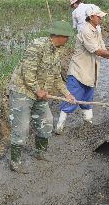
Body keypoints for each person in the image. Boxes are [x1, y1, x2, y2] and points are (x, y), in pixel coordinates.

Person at [7, 20, 76, 173]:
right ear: (61, 36)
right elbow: (28, 72)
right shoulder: (37, 46)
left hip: (39, 94)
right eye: (68, 37)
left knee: (47, 122)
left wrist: (68, 94)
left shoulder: (57, 52)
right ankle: (15, 163)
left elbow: (57, 78)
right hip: (22, 91)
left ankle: (40, 153)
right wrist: (38, 90)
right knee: (21, 127)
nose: (68, 40)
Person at [55, 5, 109, 134]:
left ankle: (88, 126)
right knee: (71, 100)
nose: (101, 18)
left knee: (87, 101)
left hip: (90, 73)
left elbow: (102, 47)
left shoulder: (97, 29)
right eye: (98, 16)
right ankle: (59, 128)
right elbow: (96, 50)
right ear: (91, 17)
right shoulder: (85, 31)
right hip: (79, 72)